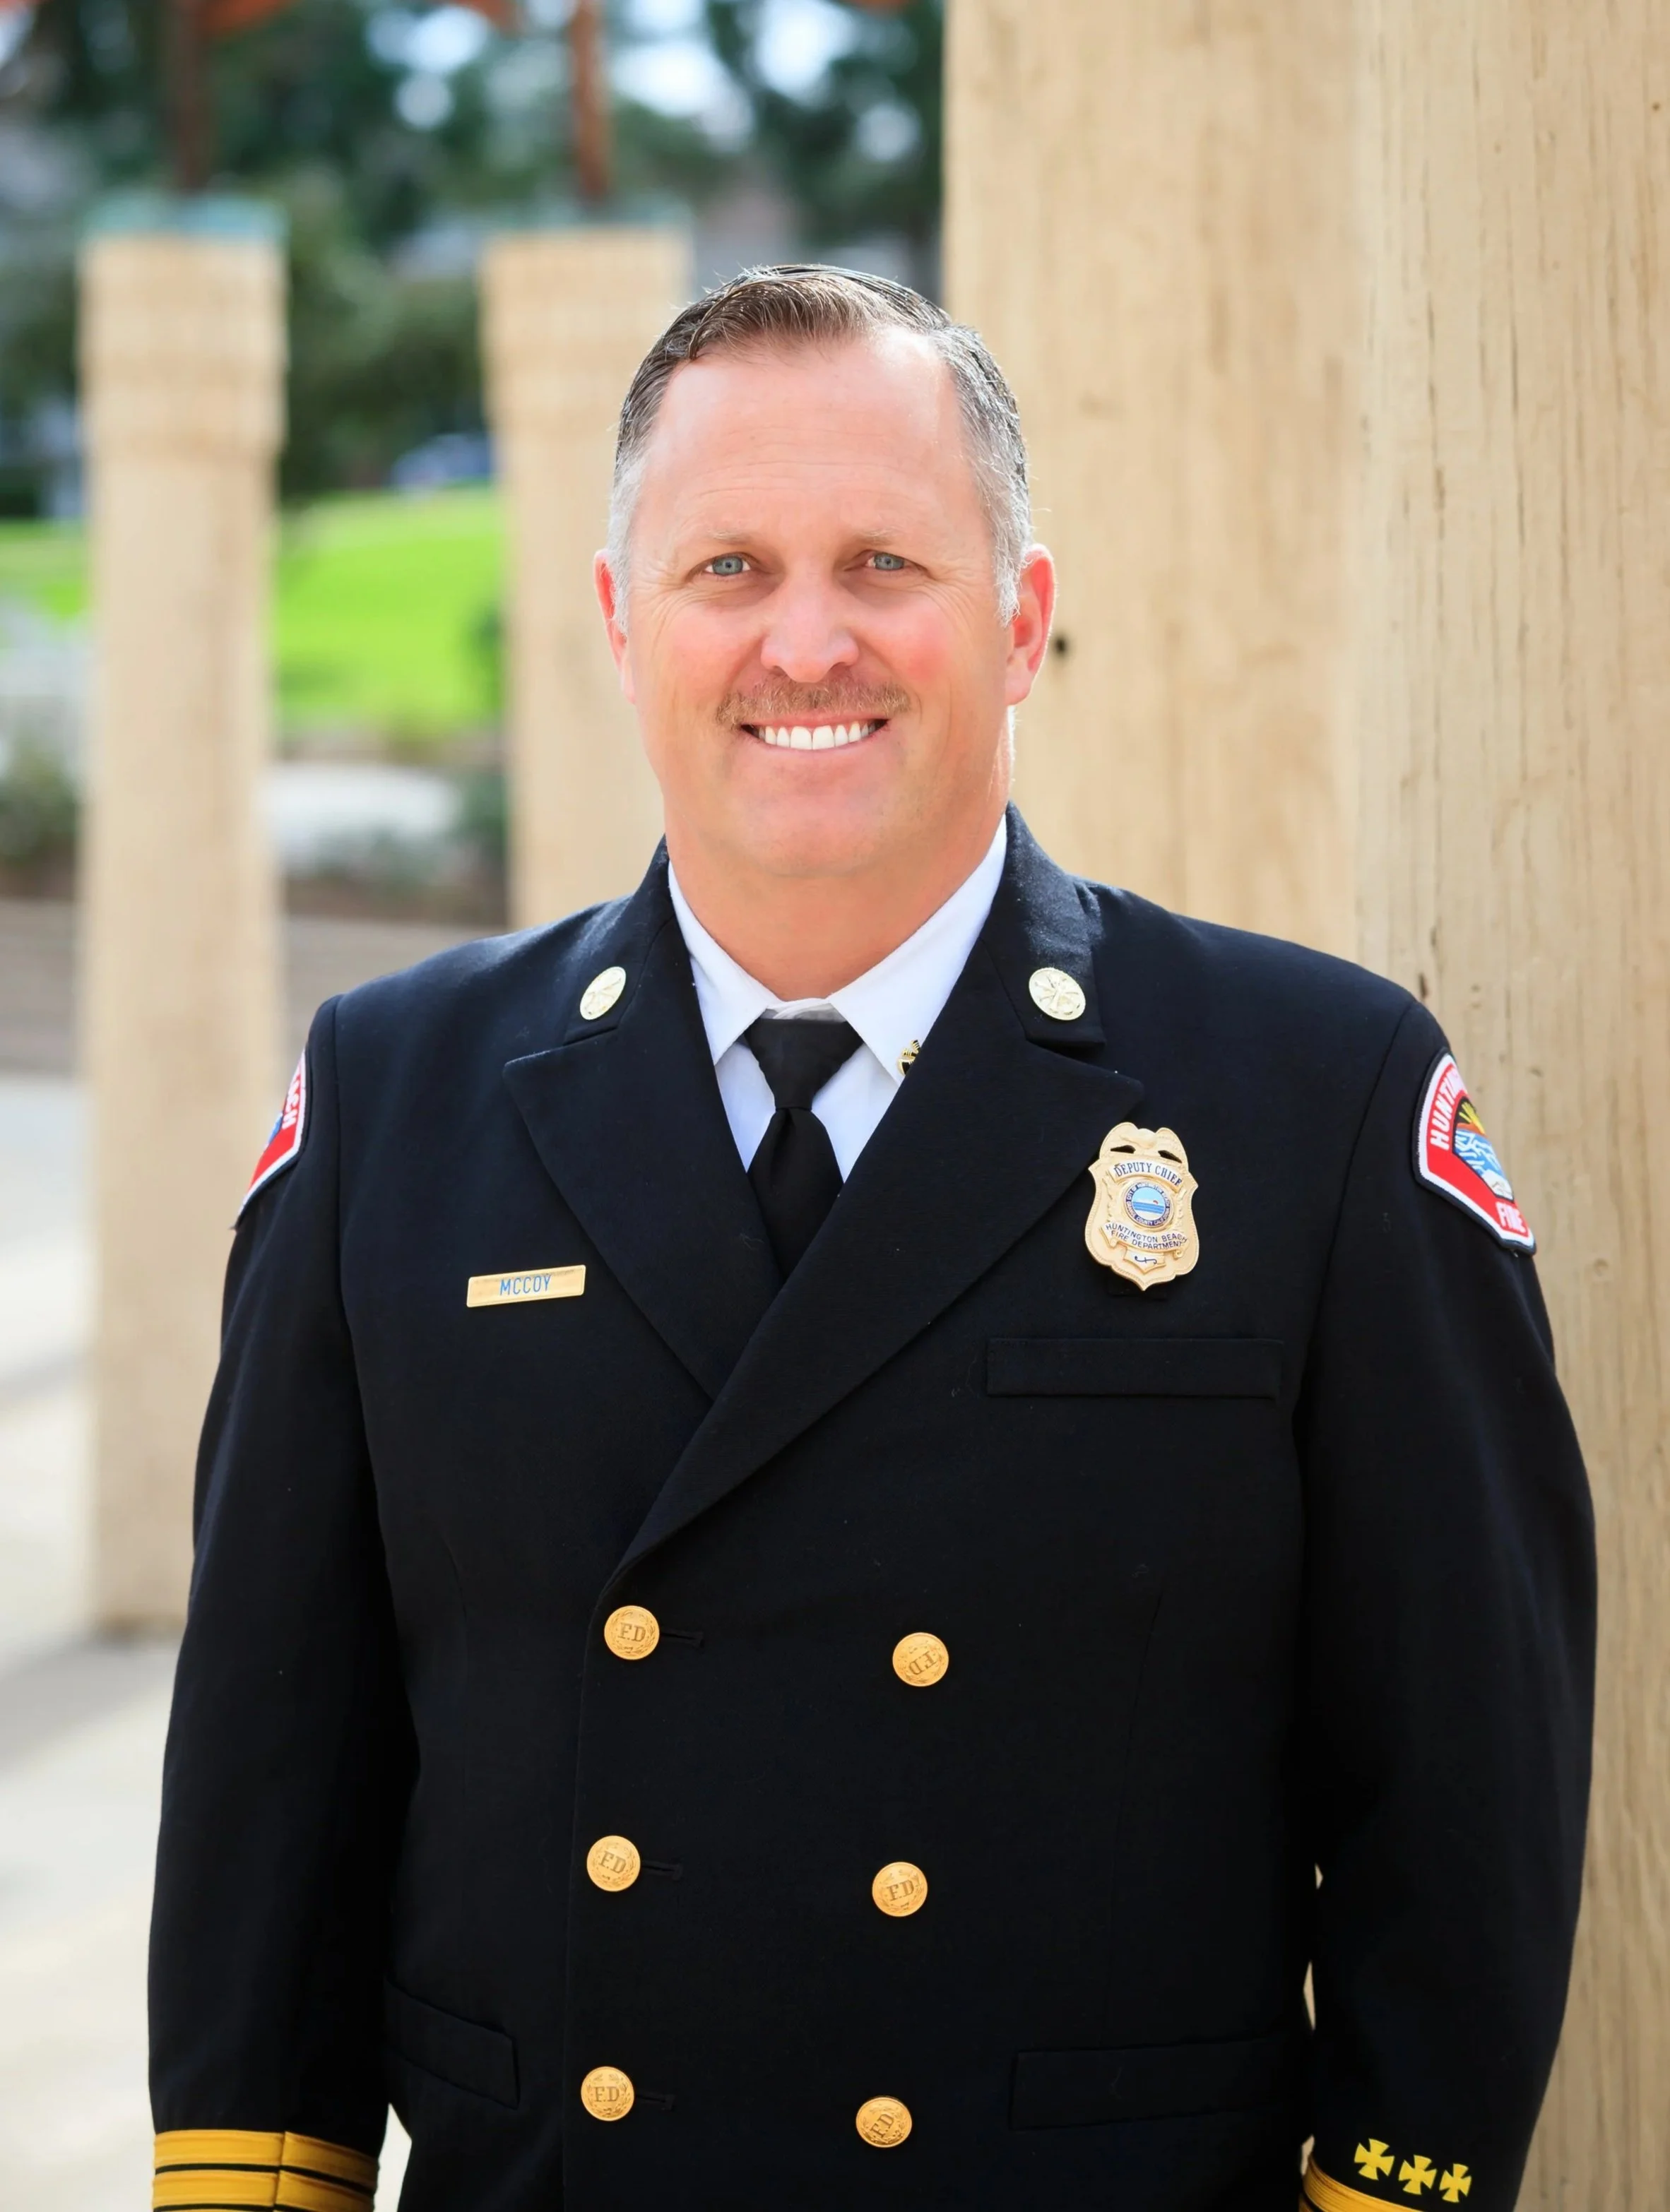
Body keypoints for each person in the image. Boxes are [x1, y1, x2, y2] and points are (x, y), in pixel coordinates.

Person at [148, 266, 1594, 2212]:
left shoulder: (1305, 1100)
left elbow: (1460, 1789)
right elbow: (272, 1803)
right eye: (726, 565)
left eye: (883, 564)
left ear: (1017, 619)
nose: (804, 640)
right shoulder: (393, 1104)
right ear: (617, 622)